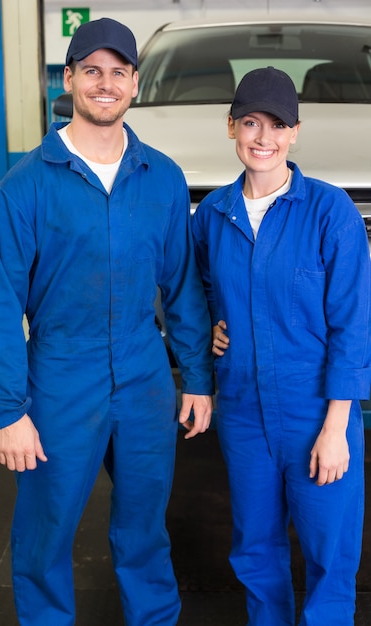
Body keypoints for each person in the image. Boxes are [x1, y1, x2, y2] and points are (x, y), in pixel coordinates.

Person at [0, 18, 214, 626]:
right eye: (91, 72)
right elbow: (0, 304)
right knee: (46, 531)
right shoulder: (25, 186)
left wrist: (198, 377)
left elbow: (182, 285)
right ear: (71, 80)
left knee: (143, 527)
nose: (104, 85)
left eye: (117, 73)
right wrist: (8, 411)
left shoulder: (161, 177)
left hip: (142, 370)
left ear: (135, 83)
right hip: (59, 376)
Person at [192, 66, 371, 625]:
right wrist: (214, 323)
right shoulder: (213, 216)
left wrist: (338, 428)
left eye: (277, 124)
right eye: (250, 122)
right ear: (230, 128)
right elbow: (195, 289)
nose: (262, 137)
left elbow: (352, 326)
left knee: (329, 554)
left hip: (316, 412)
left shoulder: (329, 211)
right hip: (244, 412)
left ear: (295, 132)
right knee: (254, 549)